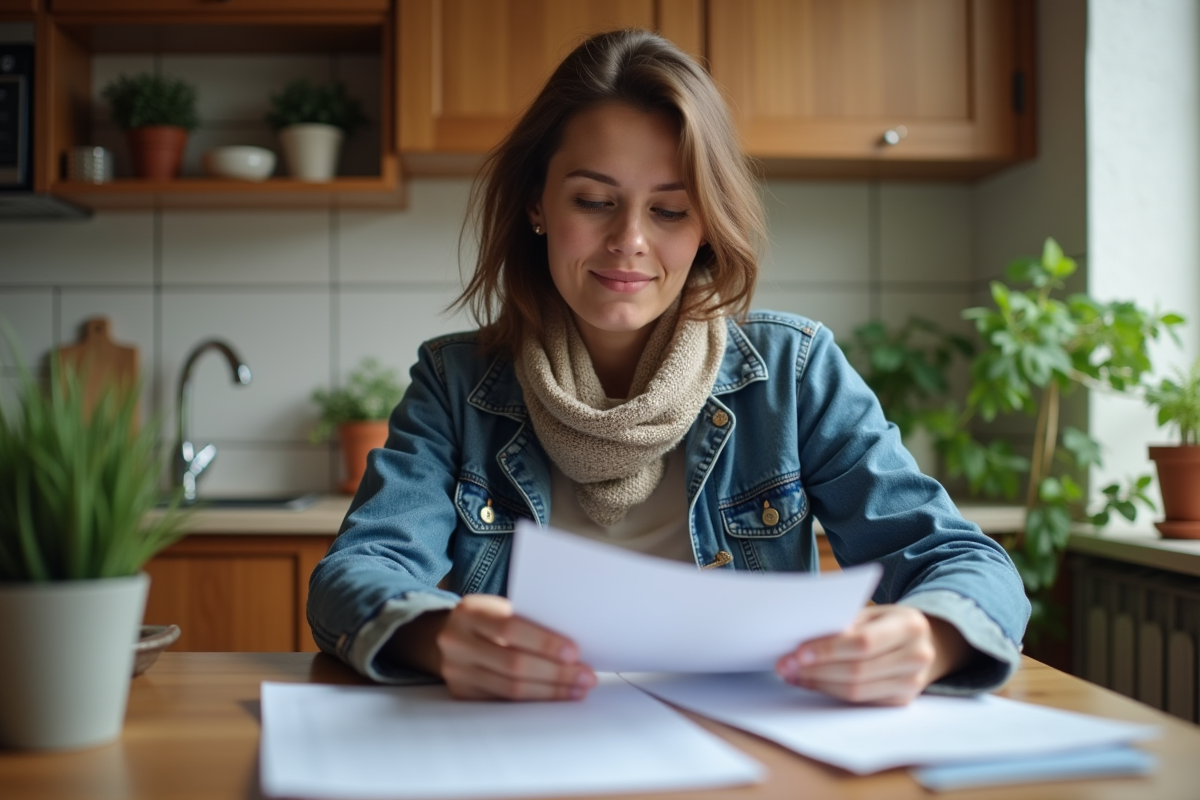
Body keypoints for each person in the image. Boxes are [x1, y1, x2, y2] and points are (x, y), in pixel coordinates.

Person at [307, 28, 1029, 706]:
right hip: (527, 739)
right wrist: (434, 636)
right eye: (594, 201)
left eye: (671, 211)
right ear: (536, 204)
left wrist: (931, 637)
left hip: (746, 748)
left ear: (708, 223)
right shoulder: (455, 382)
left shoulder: (794, 372)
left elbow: (961, 559)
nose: (629, 240)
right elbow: (355, 572)